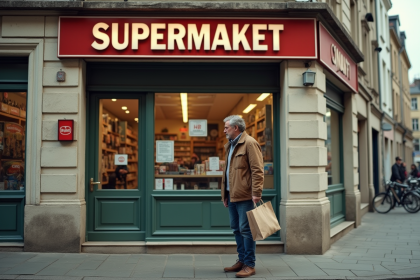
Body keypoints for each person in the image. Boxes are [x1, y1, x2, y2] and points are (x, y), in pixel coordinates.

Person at [221, 115, 264, 278]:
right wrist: (225, 194)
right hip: (232, 195)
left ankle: (249, 264)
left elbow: (257, 170)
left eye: (227, 127)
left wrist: (256, 193)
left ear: (236, 128)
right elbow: (228, 173)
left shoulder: (250, 143)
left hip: (245, 195)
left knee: (246, 230)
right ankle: (241, 260)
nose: (224, 130)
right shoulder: (230, 145)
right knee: (236, 229)